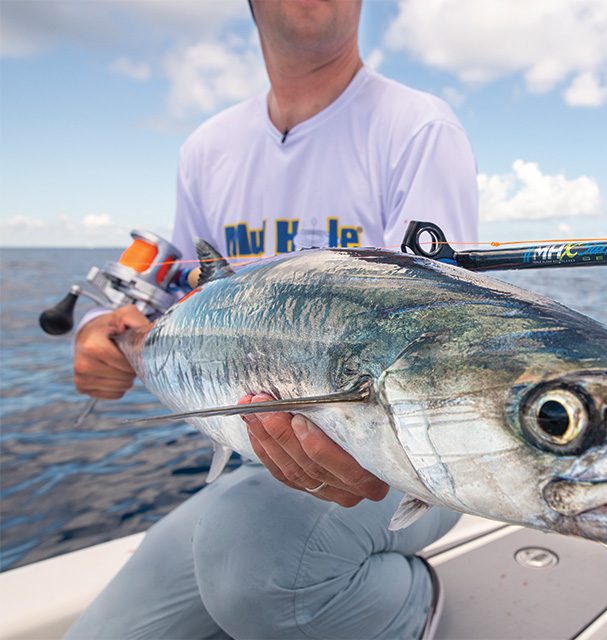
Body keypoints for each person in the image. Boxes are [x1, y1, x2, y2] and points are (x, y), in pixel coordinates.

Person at [67, 1, 479, 638]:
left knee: (254, 563)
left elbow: (434, 332)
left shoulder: (419, 128)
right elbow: (183, 298)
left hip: (409, 466)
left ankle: (413, 605)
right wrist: (105, 335)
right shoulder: (207, 149)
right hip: (256, 458)